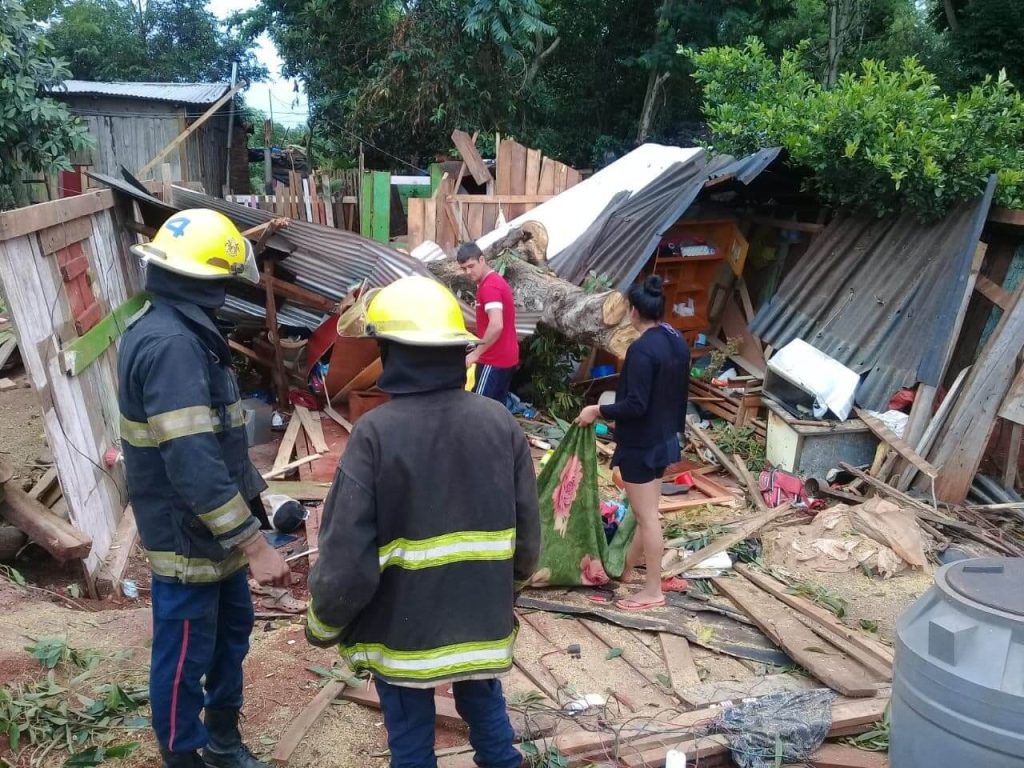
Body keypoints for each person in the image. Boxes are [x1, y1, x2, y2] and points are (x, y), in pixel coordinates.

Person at [305, 276, 540, 768]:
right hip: (481, 616)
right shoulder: (501, 423)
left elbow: (346, 554)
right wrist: (506, 591)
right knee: (486, 705)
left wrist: (323, 623)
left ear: (389, 353)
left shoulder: (375, 434)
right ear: (457, 351)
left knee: (410, 733)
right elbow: (528, 539)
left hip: (404, 632)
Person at [118, 209, 290, 768]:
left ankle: (221, 742)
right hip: (188, 539)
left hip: (213, 536)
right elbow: (192, 460)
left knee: (228, 639)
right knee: (185, 656)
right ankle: (184, 757)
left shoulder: (178, 330)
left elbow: (218, 446)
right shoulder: (172, 345)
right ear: (208, 281)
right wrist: (256, 545)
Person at [575, 275, 689, 611]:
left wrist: (597, 409)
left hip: (642, 443)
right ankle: (626, 571)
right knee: (647, 514)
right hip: (665, 438)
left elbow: (635, 405)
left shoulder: (641, 350)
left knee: (648, 517)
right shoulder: (675, 338)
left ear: (634, 311)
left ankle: (653, 589)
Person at [456, 242, 520, 404]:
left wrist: (476, 353)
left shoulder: (490, 287)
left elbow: (496, 324)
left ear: (482, 260)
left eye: (471, 266)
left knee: (479, 409)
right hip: (504, 357)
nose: (468, 272)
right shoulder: (492, 282)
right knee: (495, 410)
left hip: (494, 360)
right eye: (464, 269)